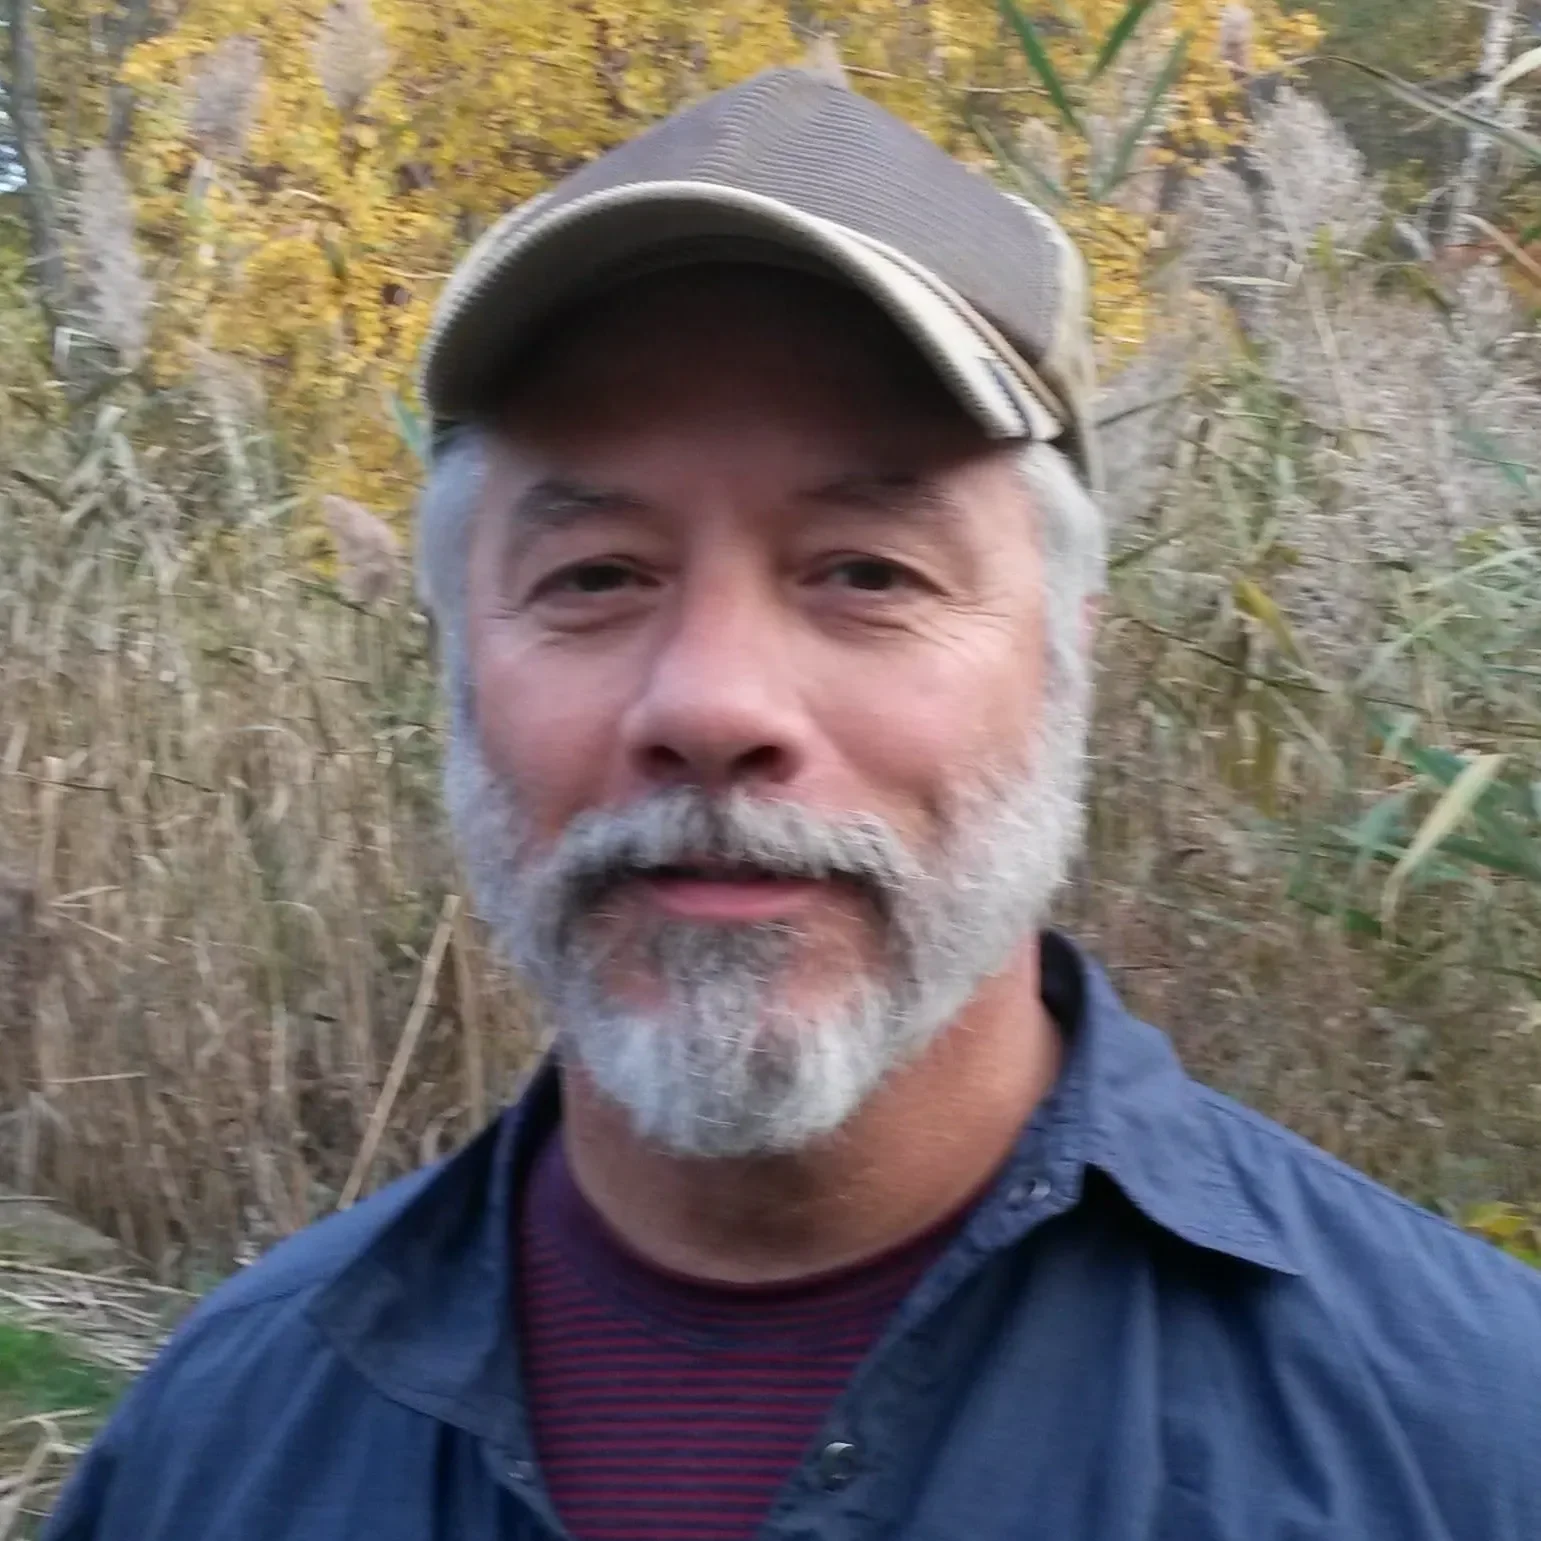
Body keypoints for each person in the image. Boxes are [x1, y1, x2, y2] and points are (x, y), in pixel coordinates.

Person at [46, 65, 1541, 1541]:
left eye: (868, 573)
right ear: (458, 666)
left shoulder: (1465, 1440)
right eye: (596, 577)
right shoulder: (219, 1443)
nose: (712, 706)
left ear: (1069, 655)